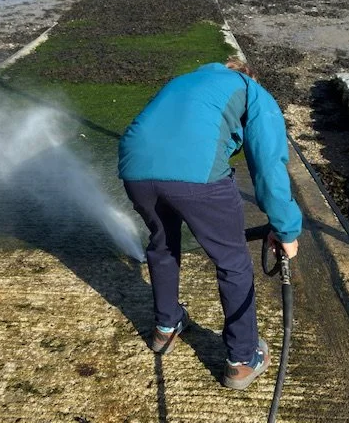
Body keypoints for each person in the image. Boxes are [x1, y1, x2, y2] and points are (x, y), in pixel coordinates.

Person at [118, 56, 302, 390]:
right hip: (195, 176)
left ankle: (165, 327)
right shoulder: (252, 90)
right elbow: (269, 163)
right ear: (248, 76)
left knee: (162, 244)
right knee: (232, 261)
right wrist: (286, 228)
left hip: (135, 167)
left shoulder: (182, 81)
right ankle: (243, 359)